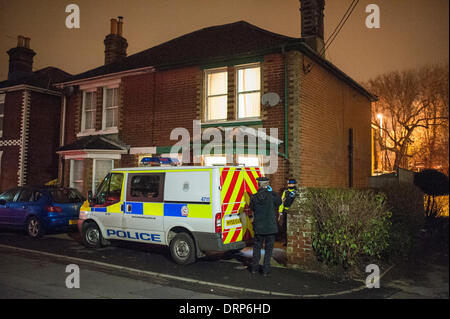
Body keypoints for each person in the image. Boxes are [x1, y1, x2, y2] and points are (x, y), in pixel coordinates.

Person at [249, 176, 282, 276]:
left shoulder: (253, 197)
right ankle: (265, 271)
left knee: (257, 248)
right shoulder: (272, 196)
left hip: (259, 227)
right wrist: (272, 192)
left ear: (258, 185)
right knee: (268, 250)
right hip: (270, 228)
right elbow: (279, 202)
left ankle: (254, 269)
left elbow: (252, 208)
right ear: (267, 185)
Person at [278, 179, 298, 246]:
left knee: (294, 227)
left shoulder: (296, 192)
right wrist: (280, 212)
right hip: (285, 211)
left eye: (292, 184)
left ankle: (294, 241)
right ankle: (287, 241)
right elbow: (282, 202)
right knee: (285, 227)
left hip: (294, 212)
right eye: (289, 184)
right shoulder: (285, 192)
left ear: (294, 184)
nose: (290, 185)